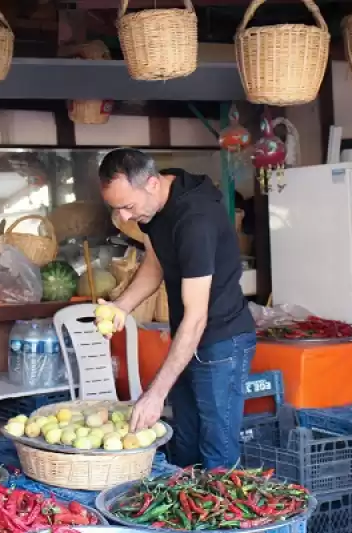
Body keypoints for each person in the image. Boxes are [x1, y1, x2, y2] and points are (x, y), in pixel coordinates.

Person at [97, 148, 256, 470]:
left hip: (222, 340)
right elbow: (155, 265)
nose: (124, 218)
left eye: (127, 207)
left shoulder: (195, 221)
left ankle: (221, 515)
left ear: (152, 184)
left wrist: (155, 394)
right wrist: (121, 307)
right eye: (117, 209)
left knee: (217, 448)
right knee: (184, 441)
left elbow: (197, 317)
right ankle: (185, 515)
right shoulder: (155, 207)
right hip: (187, 337)